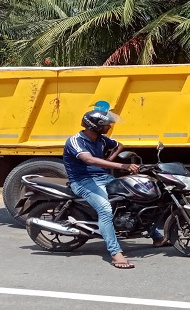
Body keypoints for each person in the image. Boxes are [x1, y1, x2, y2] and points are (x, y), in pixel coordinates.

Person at [63, 110, 169, 269]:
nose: (109, 126)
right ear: (95, 126)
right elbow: (89, 160)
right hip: (82, 181)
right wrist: (122, 165)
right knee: (105, 210)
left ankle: (156, 237)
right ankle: (115, 253)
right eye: (106, 124)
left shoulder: (101, 139)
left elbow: (119, 145)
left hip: (103, 178)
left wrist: (109, 159)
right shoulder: (75, 141)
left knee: (137, 198)